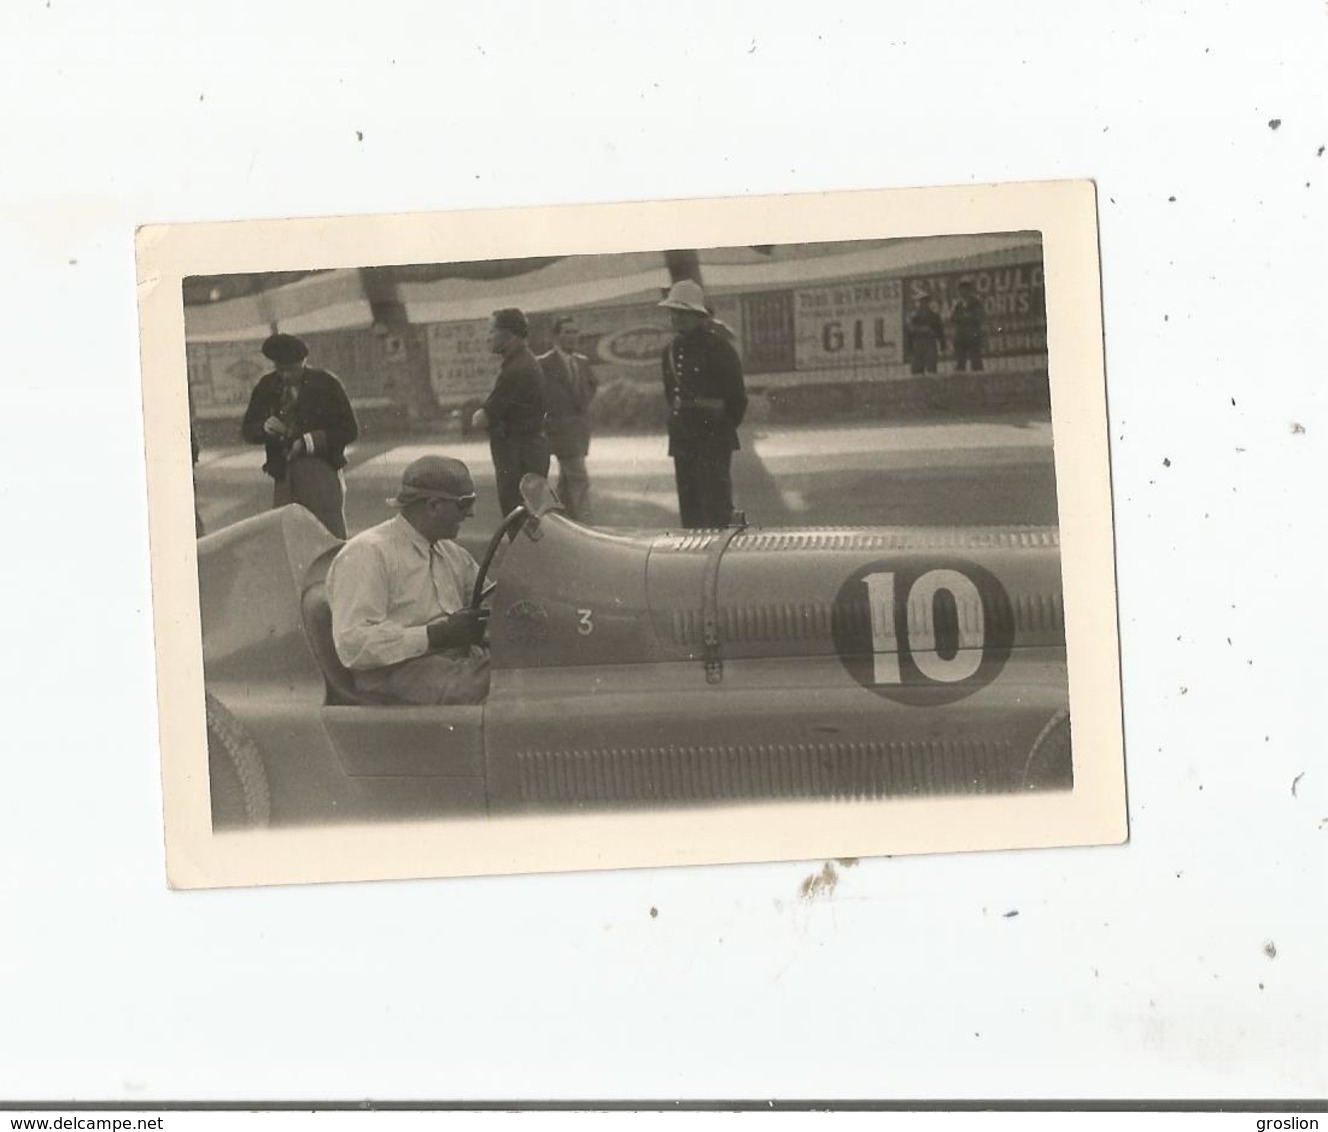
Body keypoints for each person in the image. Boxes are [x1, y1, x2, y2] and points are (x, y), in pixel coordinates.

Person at [326, 455, 490, 706]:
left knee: (528, 674)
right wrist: (436, 635)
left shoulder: (451, 553)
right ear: (433, 506)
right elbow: (353, 643)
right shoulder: (368, 553)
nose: (471, 513)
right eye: (464, 504)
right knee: (501, 690)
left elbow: (494, 600)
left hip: (452, 662)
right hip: (394, 672)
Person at [241, 332, 359, 538]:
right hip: (283, 475)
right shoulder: (266, 386)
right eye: (280, 369)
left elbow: (349, 430)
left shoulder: (326, 384)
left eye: (292, 370)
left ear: (304, 362)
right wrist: (264, 427)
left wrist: (309, 442)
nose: (285, 376)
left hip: (321, 471)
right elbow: (248, 429)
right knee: (290, 538)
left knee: (328, 535)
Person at [658, 279, 748, 529]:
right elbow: (671, 395)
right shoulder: (670, 351)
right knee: (690, 508)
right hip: (683, 438)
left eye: (683, 313)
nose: (677, 318)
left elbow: (736, 399)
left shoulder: (719, 348)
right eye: (674, 312)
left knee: (716, 506)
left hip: (713, 436)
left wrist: (718, 427)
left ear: (699, 315)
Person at [471, 308, 550, 524]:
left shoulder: (515, 370)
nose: (488, 337)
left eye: (491, 331)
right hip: (528, 451)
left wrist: (479, 413)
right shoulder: (524, 361)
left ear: (508, 334)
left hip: (517, 455)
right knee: (532, 517)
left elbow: (482, 419)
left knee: (519, 519)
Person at [537, 315, 598, 523]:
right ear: (556, 337)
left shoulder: (582, 362)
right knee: (579, 479)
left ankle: (560, 521)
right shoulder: (544, 364)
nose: (573, 337)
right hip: (559, 432)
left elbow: (591, 386)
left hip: (579, 432)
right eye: (567, 332)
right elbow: (538, 398)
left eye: (575, 332)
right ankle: (588, 526)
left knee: (566, 483)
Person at [951, 278, 987, 372]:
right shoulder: (958, 304)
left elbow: (979, 316)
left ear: (970, 290)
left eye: (966, 288)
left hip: (973, 334)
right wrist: (964, 317)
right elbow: (953, 318)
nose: (963, 291)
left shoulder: (976, 302)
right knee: (960, 362)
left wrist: (967, 317)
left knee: (976, 362)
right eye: (961, 289)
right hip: (961, 335)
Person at [905, 294, 946, 375]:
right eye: (919, 302)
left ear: (928, 303)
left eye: (924, 301)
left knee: (931, 370)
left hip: (930, 343)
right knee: (917, 371)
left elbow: (940, 331)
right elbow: (909, 332)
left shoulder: (934, 316)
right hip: (917, 344)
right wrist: (909, 347)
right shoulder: (913, 317)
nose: (921, 304)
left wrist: (942, 345)